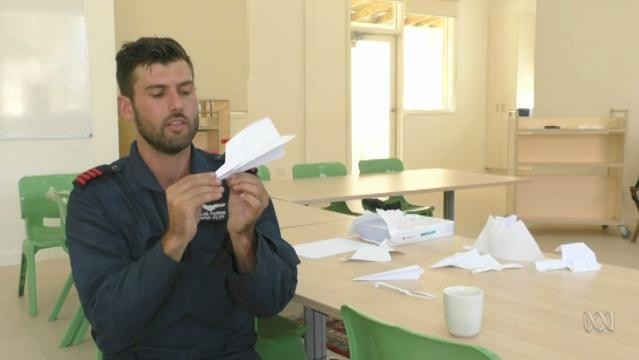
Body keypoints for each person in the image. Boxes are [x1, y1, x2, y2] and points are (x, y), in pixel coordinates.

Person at [66, 37, 300, 359]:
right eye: (158, 93)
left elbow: (272, 302)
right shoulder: (97, 198)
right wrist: (173, 240)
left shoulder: (235, 181)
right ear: (126, 107)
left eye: (186, 91)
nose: (177, 104)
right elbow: (109, 323)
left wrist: (244, 240)